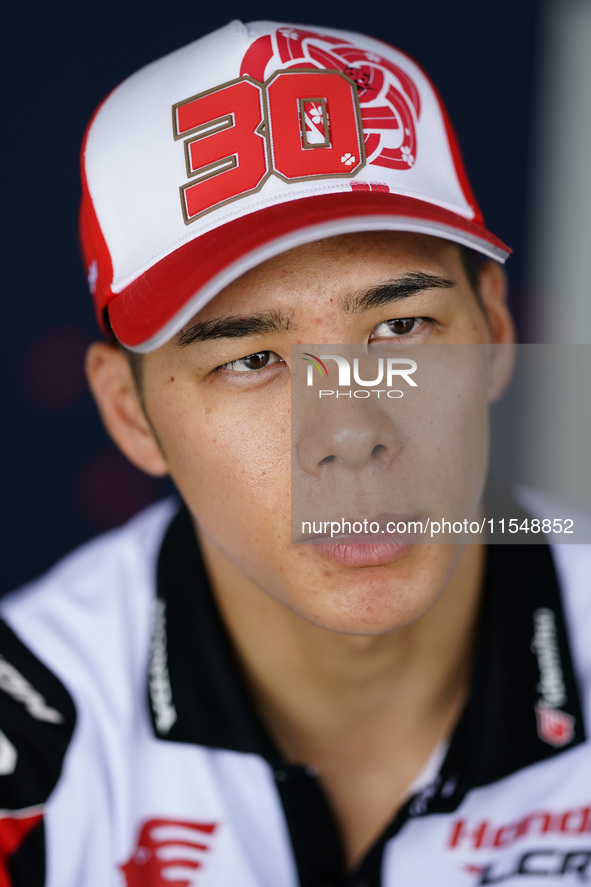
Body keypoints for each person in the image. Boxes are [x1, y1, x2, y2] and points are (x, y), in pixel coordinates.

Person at [1, 19, 590, 887]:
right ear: (129, 412)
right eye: (250, 360)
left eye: (400, 326)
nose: (350, 433)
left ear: (495, 331)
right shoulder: (32, 742)